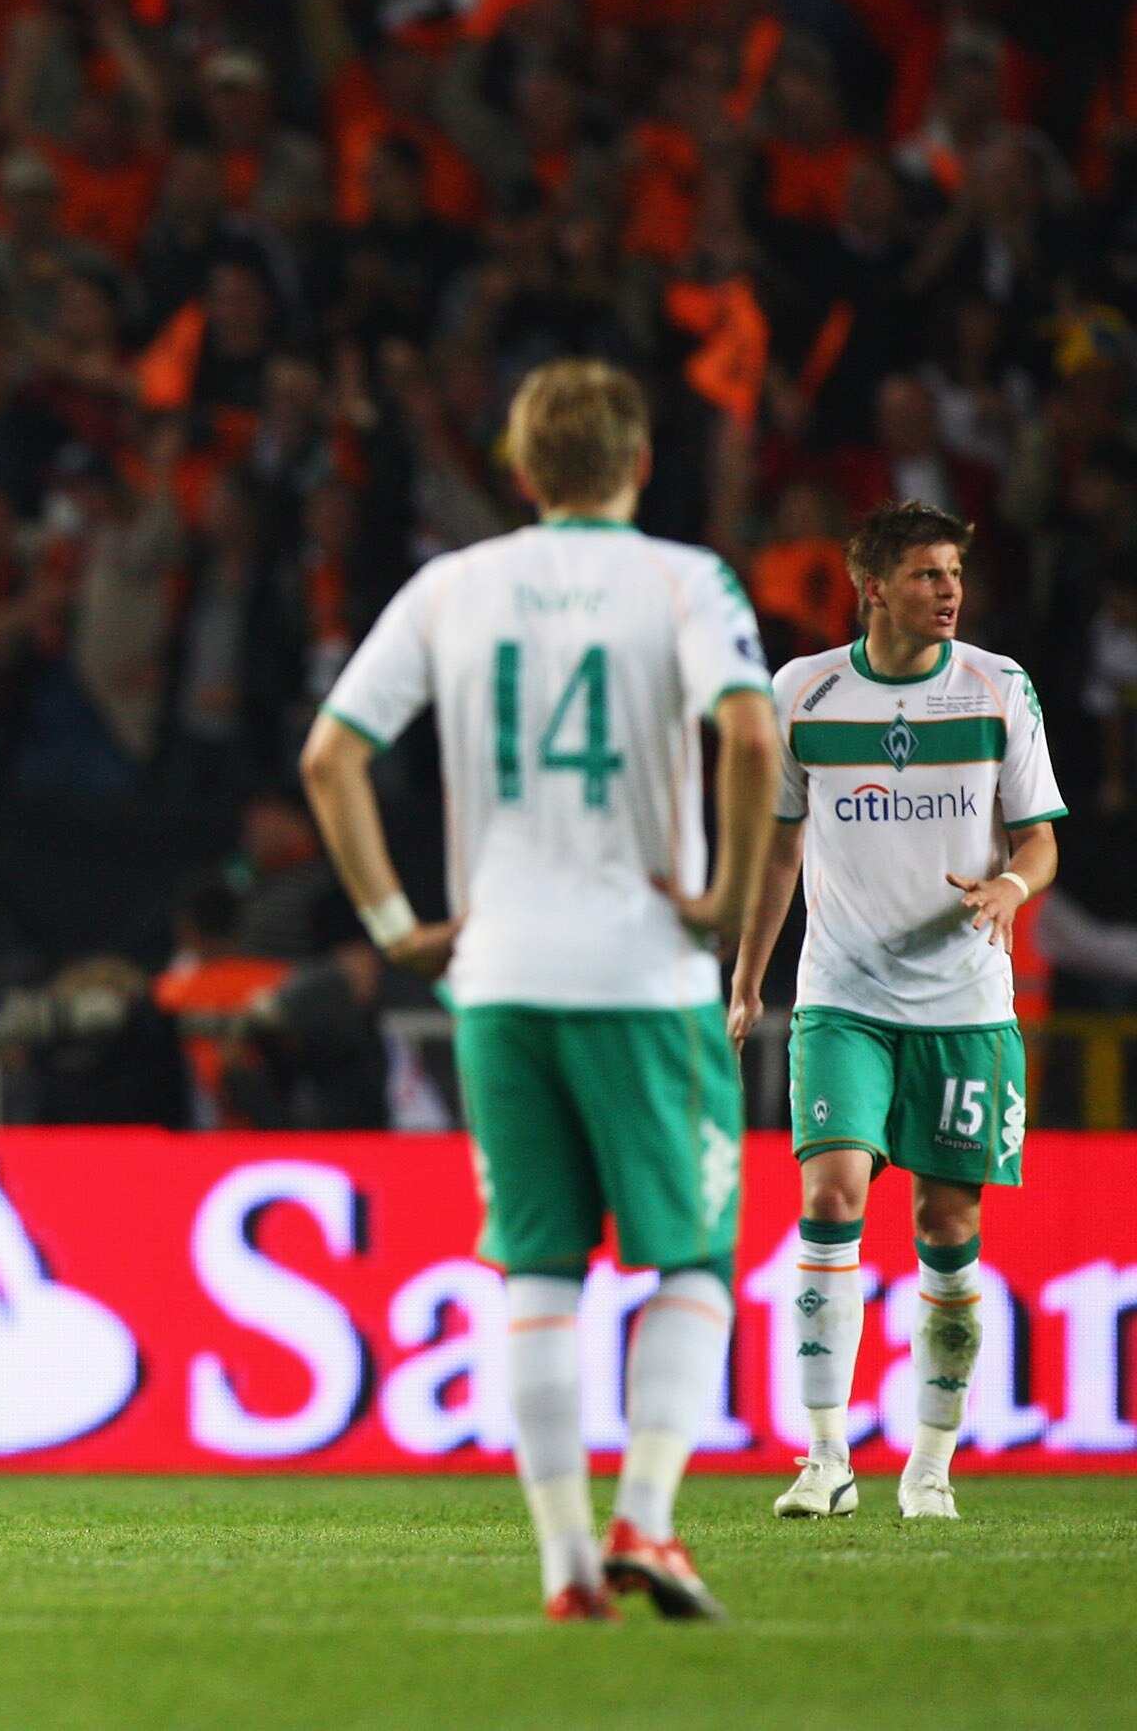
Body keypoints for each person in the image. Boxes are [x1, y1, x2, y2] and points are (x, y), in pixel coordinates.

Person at [299, 360, 780, 1623]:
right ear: (638, 462)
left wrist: (399, 922)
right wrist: (730, 897)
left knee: (538, 1271)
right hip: (643, 973)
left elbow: (329, 755)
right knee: (688, 1252)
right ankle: (652, 1521)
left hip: (498, 977)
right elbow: (750, 730)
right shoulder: (684, 578)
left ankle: (569, 1563)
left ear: (519, 470)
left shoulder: (452, 584)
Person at [729, 500, 1062, 1524]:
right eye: (925, 573)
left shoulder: (999, 686)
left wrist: (1011, 887)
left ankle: (929, 1463)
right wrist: (749, 977)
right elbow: (780, 846)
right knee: (831, 1198)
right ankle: (823, 1455)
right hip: (845, 996)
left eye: (954, 570)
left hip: (965, 1004)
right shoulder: (806, 692)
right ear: (871, 586)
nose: (948, 588)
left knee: (946, 1223)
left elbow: (1041, 837)